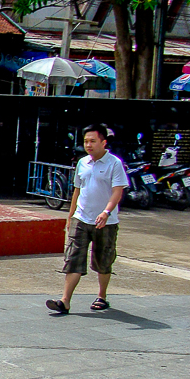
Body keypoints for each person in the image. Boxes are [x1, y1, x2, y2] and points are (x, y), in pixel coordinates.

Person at [46, 124, 128, 315]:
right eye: (86, 141)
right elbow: (77, 190)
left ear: (103, 142)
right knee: (73, 258)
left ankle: (102, 296)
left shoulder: (114, 164)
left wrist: (106, 212)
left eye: (93, 141)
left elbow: (117, 192)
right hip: (81, 219)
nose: (88, 145)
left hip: (105, 222)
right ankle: (64, 301)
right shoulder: (83, 162)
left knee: (103, 259)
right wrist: (70, 216)